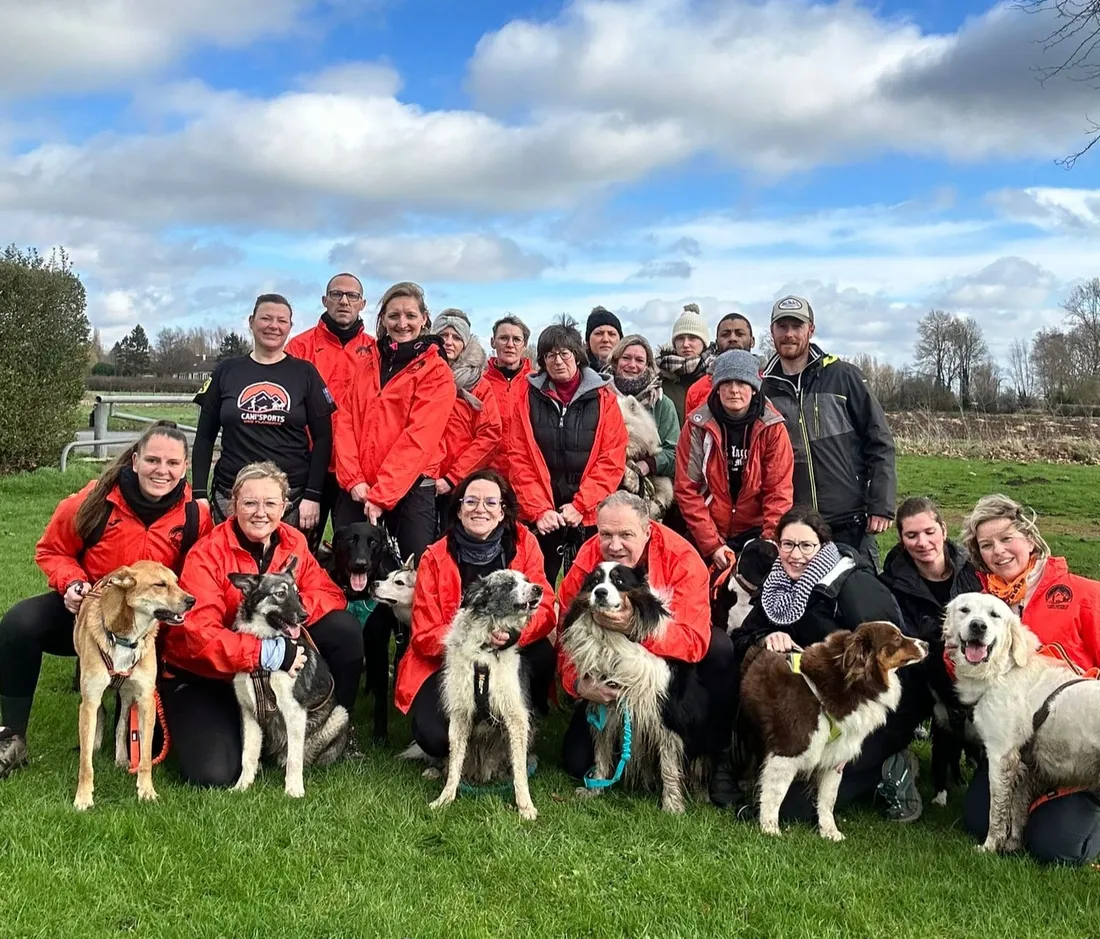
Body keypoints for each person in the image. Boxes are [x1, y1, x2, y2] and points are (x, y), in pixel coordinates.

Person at [0, 423, 213, 778]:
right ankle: (12, 735)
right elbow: (52, 550)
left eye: (173, 463)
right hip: (89, 611)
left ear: (184, 468)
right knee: (19, 624)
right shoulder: (92, 502)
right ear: (134, 460)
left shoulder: (195, 515)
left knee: (152, 728)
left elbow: (201, 573)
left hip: (154, 623)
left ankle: (137, 710)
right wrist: (72, 584)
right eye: (153, 460)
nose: (163, 470)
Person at [161, 462, 363, 787]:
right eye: (250, 503)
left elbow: (328, 593)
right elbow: (199, 634)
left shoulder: (292, 542)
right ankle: (199, 724)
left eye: (270, 503)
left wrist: (287, 609)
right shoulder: (207, 554)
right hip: (206, 674)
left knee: (344, 631)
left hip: (262, 665)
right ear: (233, 504)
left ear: (284, 506)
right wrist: (264, 653)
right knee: (211, 774)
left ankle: (334, 728)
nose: (260, 513)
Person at [736, 507, 924, 821]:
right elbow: (742, 637)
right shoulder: (777, 586)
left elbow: (897, 655)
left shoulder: (853, 586)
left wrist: (854, 729)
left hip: (869, 712)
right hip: (813, 711)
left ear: (823, 546)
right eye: (787, 545)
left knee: (796, 809)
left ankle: (891, 765)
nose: (795, 555)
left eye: (806, 546)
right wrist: (768, 636)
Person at [557, 492, 738, 806]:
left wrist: (633, 629)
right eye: (606, 535)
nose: (614, 545)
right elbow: (566, 623)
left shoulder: (682, 557)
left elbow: (694, 642)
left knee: (720, 646)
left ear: (647, 530)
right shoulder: (589, 556)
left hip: (665, 673)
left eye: (626, 534)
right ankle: (617, 762)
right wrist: (577, 683)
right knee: (575, 761)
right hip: (605, 673)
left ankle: (717, 757)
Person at [959, 493, 1100, 865]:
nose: (999, 551)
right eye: (986, 545)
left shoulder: (1082, 593)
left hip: (1080, 739)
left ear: (1030, 539)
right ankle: (1027, 810)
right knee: (977, 819)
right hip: (1022, 747)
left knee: (1059, 848)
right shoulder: (979, 605)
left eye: (1007, 539)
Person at [396, 470, 557, 759]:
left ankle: (522, 721)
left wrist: (514, 636)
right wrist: (472, 640)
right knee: (433, 738)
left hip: (508, 650)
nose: (480, 508)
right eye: (470, 501)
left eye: (490, 502)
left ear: (502, 511)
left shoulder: (525, 544)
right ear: (458, 510)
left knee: (542, 653)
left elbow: (545, 607)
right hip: (451, 658)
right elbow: (422, 636)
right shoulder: (434, 556)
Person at [192, 293, 336, 550]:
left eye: (282, 320)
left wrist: (313, 494)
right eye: (266, 318)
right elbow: (204, 437)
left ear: (290, 327)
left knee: (285, 576)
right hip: (231, 495)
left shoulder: (305, 373)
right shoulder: (227, 370)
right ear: (251, 321)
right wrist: (200, 494)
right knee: (232, 567)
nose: (274, 326)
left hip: (290, 498)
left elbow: (324, 439)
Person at [761, 295, 896, 568]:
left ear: (810, 330)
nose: (789, 334)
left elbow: (880, 442)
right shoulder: (763, 389)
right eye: (782, 327)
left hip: (850, 520)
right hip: (796, 527)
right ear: (772, 331)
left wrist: (881, 503)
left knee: (860, 602)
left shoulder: (843, 376)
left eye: (796, 326)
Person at [332, 281, 456, 563]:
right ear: (383, 319)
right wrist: (354, 481)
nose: (402, 323)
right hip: (359, 490)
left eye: (411, 316)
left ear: (424, 318)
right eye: (394, 316)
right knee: (348, 571)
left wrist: (382, 495)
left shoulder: (436, 371)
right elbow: (346, 421)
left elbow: (419, 439)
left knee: (411, 576)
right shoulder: (368, 363)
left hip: (411, 489)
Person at [506, 317, 628, 584]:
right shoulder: (524, 396)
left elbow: (611, 460)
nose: (558, 361)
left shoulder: (604, 399)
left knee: (591, 590)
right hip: (541, 514)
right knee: (535, 588)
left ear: (578, 356)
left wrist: (581, 506)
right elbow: (518, 458)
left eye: (564, 353)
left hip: (588, 514)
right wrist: (540, 510)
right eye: (549, 355)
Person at [675, 350, 794, 568]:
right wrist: (712, 544)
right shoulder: (697, 427)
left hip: (756, 530)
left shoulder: (773, 428)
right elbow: (687, 489)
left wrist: (768, 541)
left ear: (754, 387)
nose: (734, 390)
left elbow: (778, 491)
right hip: (708, 529)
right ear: (717, 387)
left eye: (741, 382)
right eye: (727, 382)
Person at [285, 272, 375, 544]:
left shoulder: (375, 350)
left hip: (356, 470)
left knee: (354, 549)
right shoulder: (300, 347)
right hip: (309, 465)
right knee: (300, 543)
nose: (344, 301)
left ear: (363, 303)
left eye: (352, 296)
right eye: (336, 294)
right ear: (325, 300)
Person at [880, 496, 982, 644]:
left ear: (944, 530)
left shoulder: (975, 569)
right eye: (912, 535)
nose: (922, 542)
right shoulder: (888, 587)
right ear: (902, 540)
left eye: (929, 532)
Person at [431, 310, 502, 520]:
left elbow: (489, 435)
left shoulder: (478, 385)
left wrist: (453, 478)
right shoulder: (420, 375)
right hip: (422, 479)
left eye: (456, 337)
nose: (449, 342)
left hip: (460, 483)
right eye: (443, 336)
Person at [608, 335, 679, 516]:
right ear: (615, 361)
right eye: (626, 358)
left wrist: (647, 464)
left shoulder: (662, 403)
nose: (632, 365)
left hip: (651, 486)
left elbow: (675, 453)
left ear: (648, 366)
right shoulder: (600, 397)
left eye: (639, 360)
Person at [484, 315, 534, 476]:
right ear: (493, 342)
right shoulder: (479, 384)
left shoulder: (537, 383)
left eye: (516, 339)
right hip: (487, 473)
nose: (510, 345)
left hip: (526, 474)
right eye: (503, 338)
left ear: (524, 344)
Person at [684, 312, 757, 415]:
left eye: (739, 333)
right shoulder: (697, 390)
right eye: (725, 334)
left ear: (752, 341)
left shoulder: (768, 382)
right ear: (717, 343)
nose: (732, 338)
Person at [657, 303, 715, 424]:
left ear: (704, 342)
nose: (685, 344)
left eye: (692, 338)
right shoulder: (659, 379)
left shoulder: (716, 377)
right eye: (680, 338)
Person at [585, 306, 622, 374]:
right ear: (587, 342)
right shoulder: (575, 375)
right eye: (599, 333)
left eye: (611, 334)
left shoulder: (633, 369)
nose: (605, 339)